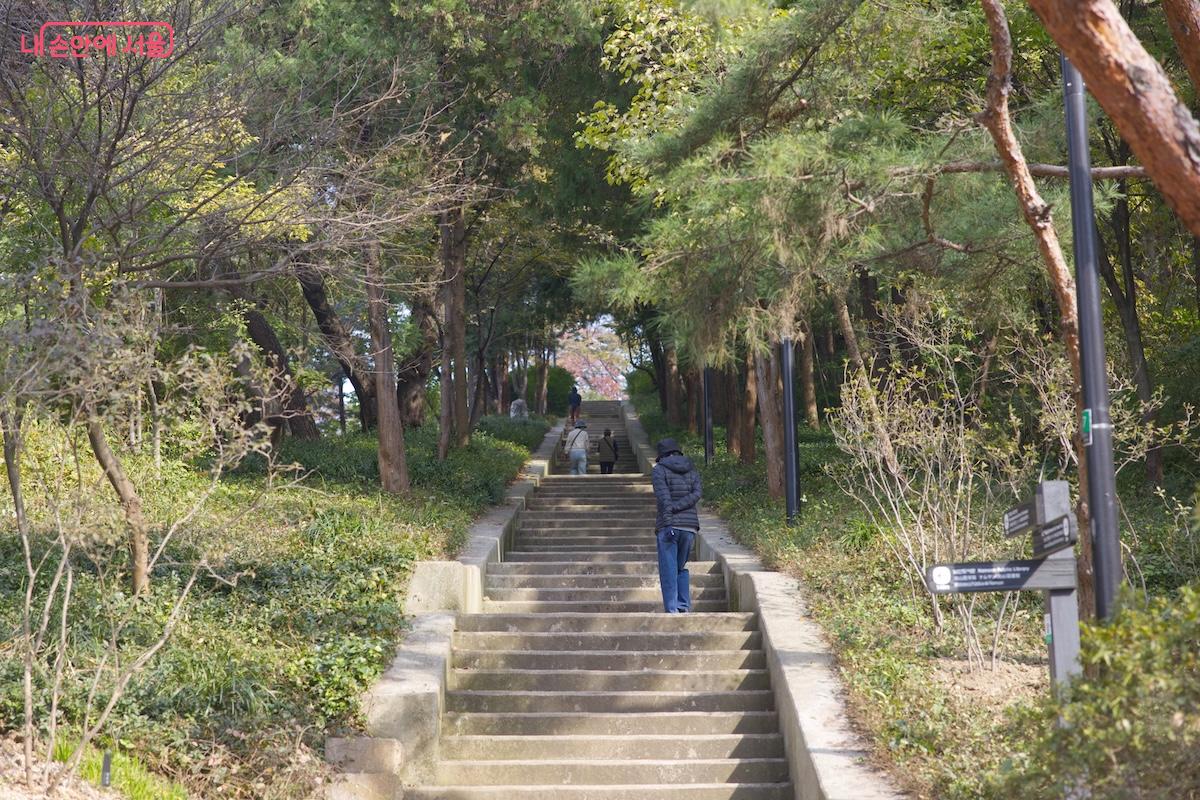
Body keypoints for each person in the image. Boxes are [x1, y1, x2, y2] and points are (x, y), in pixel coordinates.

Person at [650, 438, 701, 613]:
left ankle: (672, 609)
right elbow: (697, 493)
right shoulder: (691, 469)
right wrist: (680, 506)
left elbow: (663, 498)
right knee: (680, 567)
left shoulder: (659, 470)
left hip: (669, 525)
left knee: (668, 569)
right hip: (689, 527)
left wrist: (671, 512)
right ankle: (683, 606)